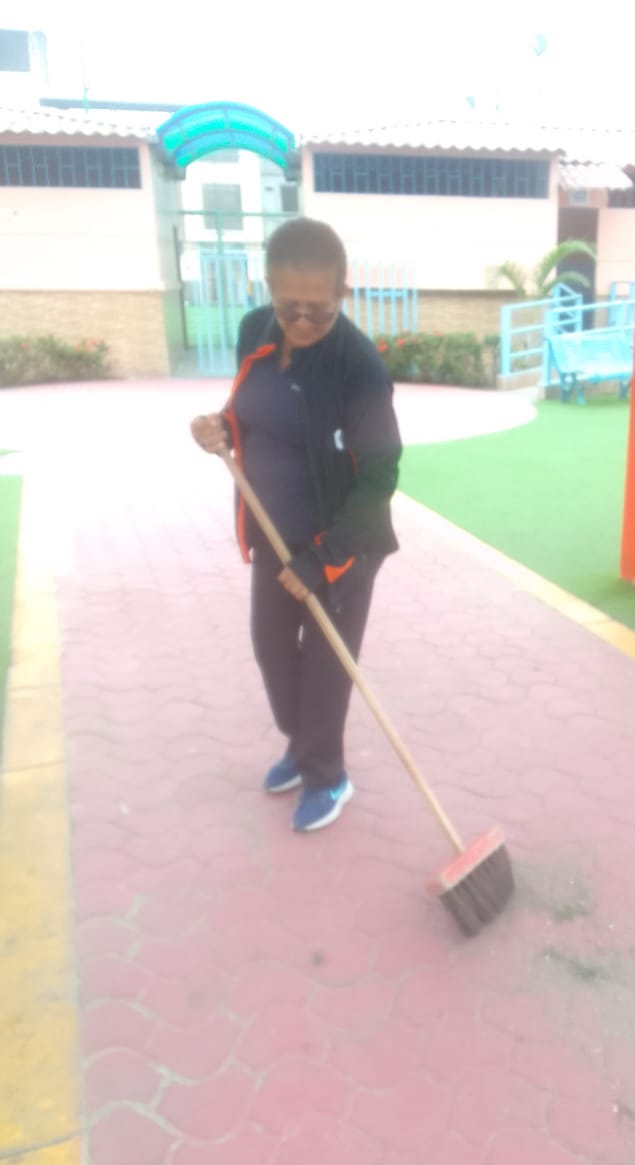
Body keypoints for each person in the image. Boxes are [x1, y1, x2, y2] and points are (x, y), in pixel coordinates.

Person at [190, 218, 402, 832]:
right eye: (289, 308)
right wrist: (221, 430)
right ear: (269, 289)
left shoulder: (358, 367)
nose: (302, 322)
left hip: (341, 544)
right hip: (274, 535)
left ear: (343, 293)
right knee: (273, 649)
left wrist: (322, 558)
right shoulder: (256, 330)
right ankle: (303, 743)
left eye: (319, 310)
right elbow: (256, 413)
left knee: (327, 667)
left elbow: (380, 474)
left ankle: (326, 773)